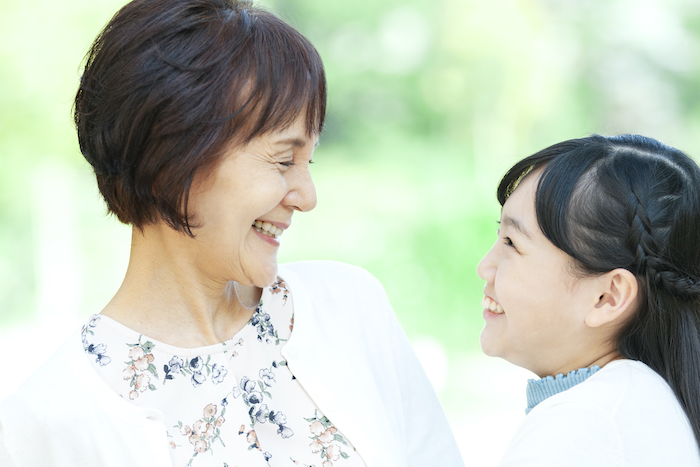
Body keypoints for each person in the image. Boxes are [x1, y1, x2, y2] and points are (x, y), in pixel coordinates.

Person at [0, 1, 463, 466]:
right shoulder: (50, 420)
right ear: (174, 160)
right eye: (284, 161)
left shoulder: (350, 308)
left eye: (310, 161)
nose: (307, 195)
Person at [477, 134, 700, 466]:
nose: (484, 268)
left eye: (511, 242)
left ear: (607, 297)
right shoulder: (632, 405)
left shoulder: (584, 422)